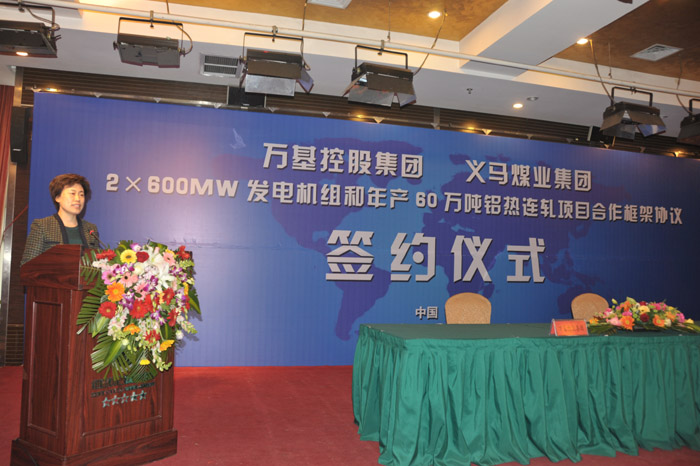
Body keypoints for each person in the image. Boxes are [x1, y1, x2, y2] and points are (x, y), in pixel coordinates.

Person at [20, 173, 101, 266]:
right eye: (72, 193)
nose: (78, 199)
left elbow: (97, 264)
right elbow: (27, 265)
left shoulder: (90, 229)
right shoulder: (42, 226)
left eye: (81, 194)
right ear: (57, 197)